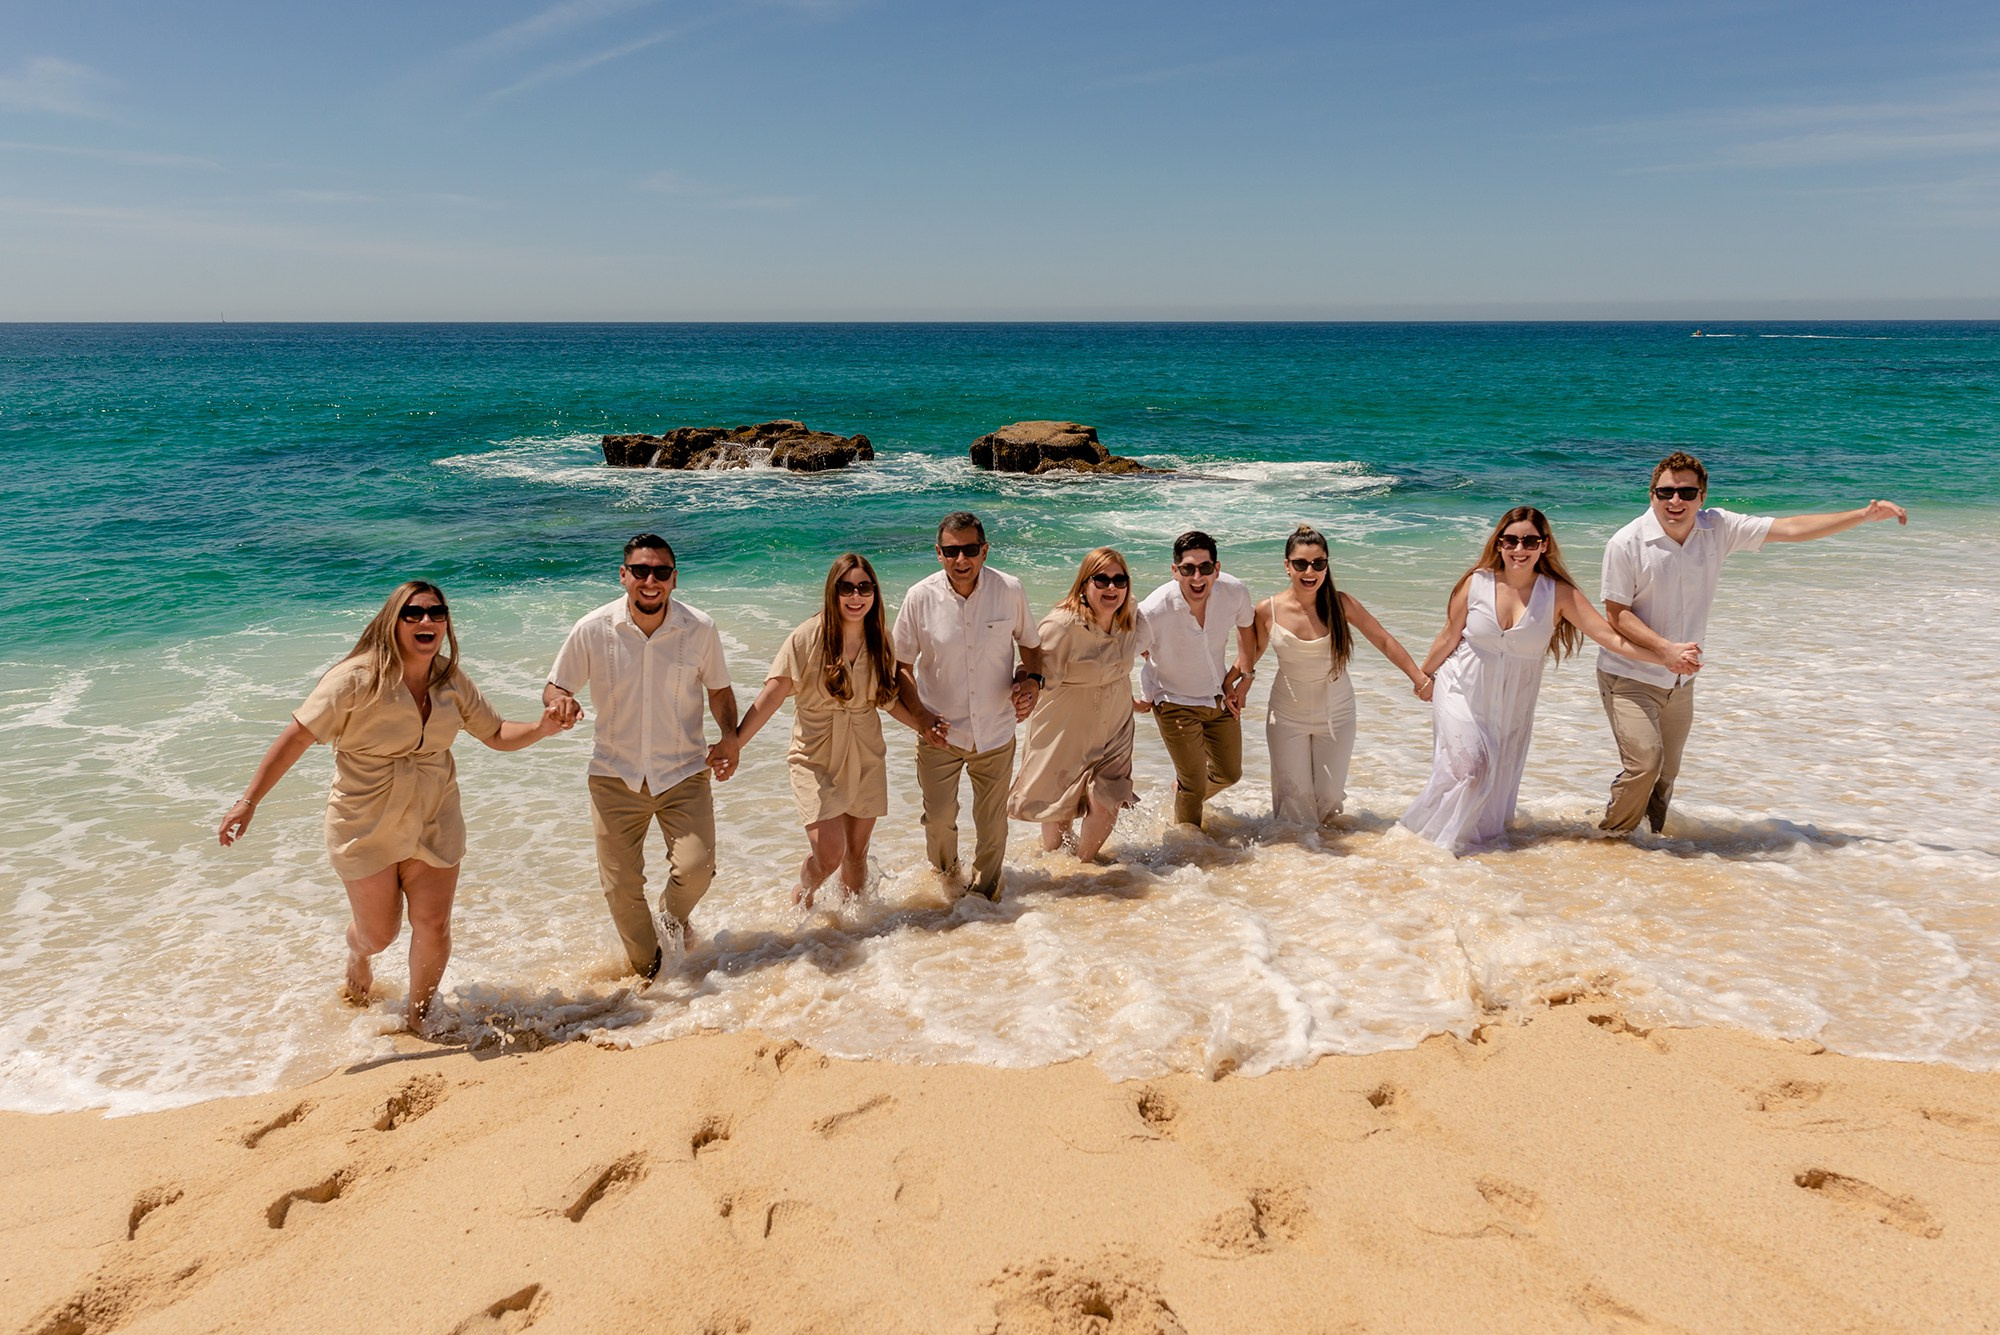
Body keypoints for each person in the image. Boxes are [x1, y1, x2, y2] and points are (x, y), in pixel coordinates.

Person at [218, 582, 571, 1029]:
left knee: (433, 924)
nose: (427, 621)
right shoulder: (356, 679)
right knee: (378, 933)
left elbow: (497, 734)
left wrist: (543, 728)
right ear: (393, 620)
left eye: (436, 613)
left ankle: (418, 1019)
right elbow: (298, 737)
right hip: (365, 820)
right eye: (414, 613)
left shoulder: (450, 680)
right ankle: (357, 954)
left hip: (434, 814)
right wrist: (248, 801)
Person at [1597, 452, 1909, 834]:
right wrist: (1665, 650)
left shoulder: (1719, 528)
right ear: (1651, 495)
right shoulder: (1626, 542)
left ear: (1702, 496)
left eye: (1685, 493)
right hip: (1629, 674)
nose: (1674, 501)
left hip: (1680, 680)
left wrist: (1861, 515)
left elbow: (1792, 528)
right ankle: (1610, 840)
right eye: (1664, 492)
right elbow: (1617, 614)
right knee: (1645, 763)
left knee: (1666, 774)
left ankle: (1652, 848)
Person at [1402, 508, 1698, 856]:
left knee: (1491, 779)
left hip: (1512, 700)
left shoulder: (1557, 593)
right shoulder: (1476, 582)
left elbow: (1608, 636)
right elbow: (1449, 635)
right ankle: (1438, 847)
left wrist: (1663, 656)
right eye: (1511, 540)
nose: (1519, 548)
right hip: (1460, 687)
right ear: (1498, 543)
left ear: (1544, 546)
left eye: (1530, 541)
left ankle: (1452, 844)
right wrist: (1423, 676)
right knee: (1471, 768)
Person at [544, 535, 739, 980]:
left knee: (698, 868)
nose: (650, 581)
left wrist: (730, 737)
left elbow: (720, 690)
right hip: (614, 775)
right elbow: (557, 684)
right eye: (640, 571)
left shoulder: (700, 628)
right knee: (620, 889)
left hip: (683, 771)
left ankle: (671, 919)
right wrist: (560, 703)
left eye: (661, 572)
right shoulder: (593, 628)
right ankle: (653, 977)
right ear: (623, 576)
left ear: (674, 578)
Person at [711, 554, 928, 907]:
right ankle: (803, 896)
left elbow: (887, 702)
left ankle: (853, 929)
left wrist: (926, 726)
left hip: (865, 751)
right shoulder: (807, 637)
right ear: (833, 591)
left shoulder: (881, 640)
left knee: (856, 854)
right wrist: (733, 742)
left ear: (874, 592)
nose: (856, 597)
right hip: (814, 754)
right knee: (829, 854)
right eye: (847, 588)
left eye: (864, 588)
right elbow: (773, 694)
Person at [892, 511, 1043, 901]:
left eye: (971, 550)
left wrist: (1031, 681)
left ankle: (984, 904)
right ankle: (947, 881)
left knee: (992, 826)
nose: (963, 560)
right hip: (939, 732)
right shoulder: (919, 597)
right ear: (938, 554)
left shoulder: (1009, 589)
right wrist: (920, 718)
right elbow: (900, 667)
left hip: (996, 729)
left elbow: (1031, 645)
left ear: (985, 550)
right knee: (939, 822)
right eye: (952, 551)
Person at [1251, 525, 1429, 826]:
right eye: (1301, 564)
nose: (1310, 571)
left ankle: (1332, 863)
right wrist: (1228, 688)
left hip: (1338, 711)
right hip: (1286, 714)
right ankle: (1299, 863)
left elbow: (1383, 639)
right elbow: (1249, 658)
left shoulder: (1341, 603)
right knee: (1293, 801)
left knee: (1330, 798)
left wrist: (1419, 678)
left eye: (1318, 563)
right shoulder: (1267, 610)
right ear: (1287, 566)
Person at [1008, 548, 1154, 861]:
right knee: (1059, 810)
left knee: (1109, 800)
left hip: (1114, 725)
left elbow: (1131, 654)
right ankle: (1061, 873)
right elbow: (1030, 669)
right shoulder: (1060, 626)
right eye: (1101, 580)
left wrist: (1139, 695)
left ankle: (1084, 869)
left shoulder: (1129, 613)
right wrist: (1022, 693)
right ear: (1084, 584)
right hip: (1064, 729)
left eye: (1119, 579)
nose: (1111, 587)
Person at [1137, 530, 1258, 829]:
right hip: (1172, 700)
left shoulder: (1234, 592)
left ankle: (1179, 797)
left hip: (1218, 696)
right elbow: (1124, 651)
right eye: (1188, 569)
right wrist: (1135, 697)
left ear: (1216, 569)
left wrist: (1246, 676)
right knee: (1193, 785)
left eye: (1205, 568)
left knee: (1230, 774)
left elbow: (1247, 629)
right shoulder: (1154, 610)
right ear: (1175, 571)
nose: (1197, 578)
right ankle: (1188, 850)